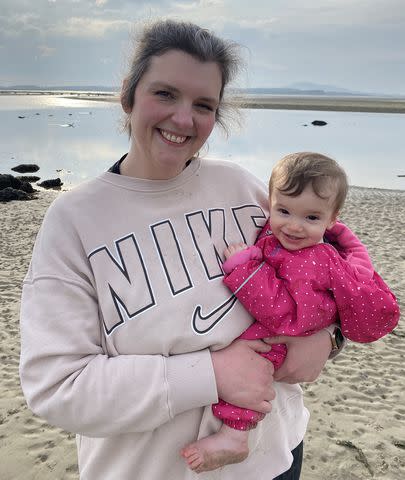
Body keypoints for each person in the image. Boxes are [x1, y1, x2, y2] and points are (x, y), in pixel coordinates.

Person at [20, 20, 344, 480]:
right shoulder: (74, 221)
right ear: (128, 96)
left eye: (204, 105)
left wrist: (328, 337)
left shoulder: (242, 188)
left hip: (275, 459)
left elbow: (333, 271)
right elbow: (58, 387)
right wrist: (210, 374)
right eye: (165, 94)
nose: (184, 119)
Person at [181, 152, 400, 473]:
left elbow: (285, 316)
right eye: (283, 211)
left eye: (311, 218)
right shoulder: (288, 241)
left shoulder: (316, 260)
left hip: (280, 339)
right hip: (278, 345)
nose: (294, 226)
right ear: (270, 203)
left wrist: (247, 270)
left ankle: (234, 435)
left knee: (253, 369)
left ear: (332, 218)